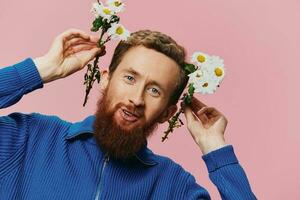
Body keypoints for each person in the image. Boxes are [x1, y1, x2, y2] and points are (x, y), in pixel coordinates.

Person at [0, 28, 257, 199]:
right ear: (105, 80)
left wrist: (215, 150)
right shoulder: (29, 138)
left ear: (167, 113)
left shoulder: (172, 185)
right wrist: (41, 69)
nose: (136, 99)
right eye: (130, 78)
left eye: (154, 90)